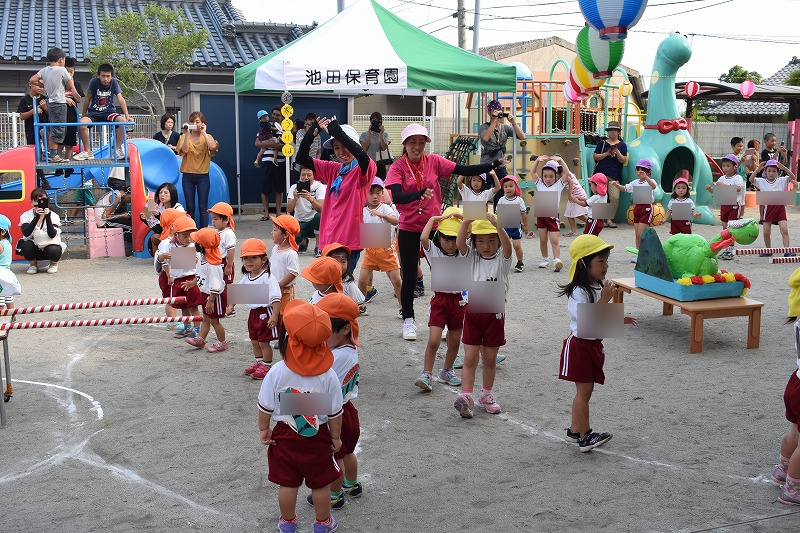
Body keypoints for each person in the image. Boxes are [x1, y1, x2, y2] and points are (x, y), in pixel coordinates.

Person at [385, 123, 506, 341]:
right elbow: (396, 196)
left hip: (435, 228)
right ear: (405, 144)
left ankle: (448, 319)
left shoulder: (433, 161)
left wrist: (494, 163)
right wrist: (418, 194)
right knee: (409, 275)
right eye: (412, 142)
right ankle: (408, 319)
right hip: (409, 228)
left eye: (421, 142)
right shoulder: (398, 167)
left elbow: (464, 170)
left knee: (447, 274)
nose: (417, 147)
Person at [257, 299, 343, 533]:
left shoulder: (277, 371)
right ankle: (323, 523)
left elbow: (265, 405)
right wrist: (336, 437)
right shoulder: (328, 375)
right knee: (320, 483)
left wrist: (264, 429)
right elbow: (335, 412)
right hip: (317, 436)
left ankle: (288, 522)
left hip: (284, 436)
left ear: (289, 338)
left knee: (288, 483)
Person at [557, 234, 637, 452]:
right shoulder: (578, 291)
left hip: (592, 345)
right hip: (579, 346)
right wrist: (605, 299)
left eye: (606, 260)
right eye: (600, 261)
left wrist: (619, 319)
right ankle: (585, 437)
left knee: (585, 392)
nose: (606, 265)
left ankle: (575, 431)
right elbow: (586, 321)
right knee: (583, 393)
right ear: (584, 264)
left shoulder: (597, 285)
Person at [295, 116, 376, 274]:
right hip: (329, 239)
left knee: (341, 284)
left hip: (348, 241)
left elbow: (363, 157)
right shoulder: (334, 169)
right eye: (336, 148)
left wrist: (337, 132)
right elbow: (301, 158)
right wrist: (311, 134)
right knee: (329, 284)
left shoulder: (362, 169)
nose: (341, 152)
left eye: (345, 146)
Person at [452, 213, 513, 417]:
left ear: (498, 241)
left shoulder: (502, 260)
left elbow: (508, 248)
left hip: (494, 313)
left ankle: (486, 395)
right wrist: (466, 222)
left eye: (491, 240)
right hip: (473, 312)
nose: (486, 245)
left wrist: (499, 226)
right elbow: (460, 243)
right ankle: (467, 396)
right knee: (470, 358)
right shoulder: (471, 258)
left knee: (489, 359)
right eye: (480, 240)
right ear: (474, 242)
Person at [306, 293, 363, 510]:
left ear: (345, 329)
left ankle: (335, 495)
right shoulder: (348, 349)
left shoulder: (336, 357)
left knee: (335, 457)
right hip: (348, 411)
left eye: (326, 329)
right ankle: (352, 484)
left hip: (335, 414)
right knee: (347, 452)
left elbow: (321, 390)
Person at [415, 207, 465, 391]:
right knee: (434, 340)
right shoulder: (435, 252)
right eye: (446, 239)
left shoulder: (465, 252)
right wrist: (434, 219)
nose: (450, 244)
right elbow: (423, 238)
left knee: (455, 341)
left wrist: (462, 218)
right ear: (439, 237)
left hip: (458, 302)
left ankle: (447, 370)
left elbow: (472, 232)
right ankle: (426, 373)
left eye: (454, 239)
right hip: (439, 301)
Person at [772, 270, 800, 506]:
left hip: (796, 381)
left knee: (795, 432)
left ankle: (783, 470)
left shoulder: (798, 320)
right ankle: (793, 488)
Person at [238, 239, 283, 381]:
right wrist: (231, 305)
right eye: (246, 258)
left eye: (254, 257)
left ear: (264, 259)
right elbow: (239, 291)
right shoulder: (247, 276)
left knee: (264, 341)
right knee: (254, 340)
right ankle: (259, 361)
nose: (249, 261)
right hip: (253, 314)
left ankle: (267, 365)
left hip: (266, 312)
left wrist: (275, 315)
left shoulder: (267, 277)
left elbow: (276, 297)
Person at [29, 47, 81, 163]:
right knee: (59, 129)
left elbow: (32, 80)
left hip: (50, 102)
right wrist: (70, 83)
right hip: (60, 103)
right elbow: (69, 85)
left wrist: (43, 84)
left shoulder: (45, 70)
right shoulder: (62, 70)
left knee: (54, 127)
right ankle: (53, 155)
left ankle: (53, 154)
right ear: (61, 60)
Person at [358, 177, 401, 312]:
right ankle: (361, 306)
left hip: (386, 250)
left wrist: (382, 216)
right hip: (370, 251)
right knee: (362, 281)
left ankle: (404, 308)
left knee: (397, 281)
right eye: (371, 193)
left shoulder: (385, 208)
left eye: (378, 193)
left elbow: (396, 221)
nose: (375, 196)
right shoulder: (363, 210)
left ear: (383, 193)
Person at [184, 228, 228, 352]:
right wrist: (194, 282)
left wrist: (211, 301)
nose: (194, 243)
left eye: (196, 242)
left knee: (214, 321)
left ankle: (222, 342)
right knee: (206, 318)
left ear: (202, 246)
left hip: (214, 296)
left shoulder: (212, 264)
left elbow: (216, 285)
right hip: (206, 294)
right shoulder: (202, 257)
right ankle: (201, 339)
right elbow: (200, 274)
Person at [75, 63, 130, 161]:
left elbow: (120, 98)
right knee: (82, 124)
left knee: (122, 122)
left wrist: (127, 115)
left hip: (109, 112)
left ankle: (116, 150)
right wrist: (83, 115)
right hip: (94, 112)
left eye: (108, 76)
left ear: (111, 76)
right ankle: (88, 152)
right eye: (103, 76)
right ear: (98, 76)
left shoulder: (114, 82)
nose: (105, 79)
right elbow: (87, 99)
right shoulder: (94, 82)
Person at [478, 100, 526, 209]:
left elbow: (522, 137)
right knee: (481, 196)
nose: (497, 113)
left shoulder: (505, 128)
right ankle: (476, 218)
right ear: (489, 112)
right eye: (494, 111)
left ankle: (502, 219)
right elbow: (485, 138)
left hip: (500, 167)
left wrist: (513, 122)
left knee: (502, 198)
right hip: (486, 166)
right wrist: (494, 121)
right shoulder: (483, 127)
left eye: (499, 110)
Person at [610, 158, 657, 263]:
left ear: (648, 172)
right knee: (637, 234)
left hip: (646, 208)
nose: (640, 171)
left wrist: (646, 177)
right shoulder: (635, 182)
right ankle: (638, 254)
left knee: (641, 234)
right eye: (638, 169)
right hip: (637, 208)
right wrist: (617, 185)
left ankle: (646, 253)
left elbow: (653, 186)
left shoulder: (650, 181)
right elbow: (625, 188)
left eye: (643, 169)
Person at [529, 156, 572, 272]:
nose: (548, 179)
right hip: (541, 216)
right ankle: (544, 258)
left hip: (552, 216)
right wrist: (537, 161)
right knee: (543, 240)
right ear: (542, 176)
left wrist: (561, 160)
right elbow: (532, 172)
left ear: (556, 176)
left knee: (554, 240)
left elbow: (566, 173)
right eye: (545, 176)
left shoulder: (558, 185)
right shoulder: (539, 184)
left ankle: (557, 260)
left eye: (551, 176)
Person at [176, 111, 219, 225]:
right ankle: (191, 230)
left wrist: (204, 132)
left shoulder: (207, 137)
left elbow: (213, 146)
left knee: (203, 207)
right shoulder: (183, 137)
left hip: (203, 175)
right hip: (188, 175)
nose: (194, 124)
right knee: (190, 207)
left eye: (197, 122)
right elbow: (184, 150)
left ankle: (203, 232)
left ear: (203, 123)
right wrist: (187, 133)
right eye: (192, 122)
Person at [749, 160, 798, 257]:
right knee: (766, 232)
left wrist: (784, 168)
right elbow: (751, 180)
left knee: (784, 229)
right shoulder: (762, 181)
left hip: (780, 208)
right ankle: (768, 250)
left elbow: (793, 177)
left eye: (774, 171)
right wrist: (757, 169)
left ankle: (787, 250)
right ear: (765, 171)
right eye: (769, 171)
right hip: (768, 209)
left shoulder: (781, 180)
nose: (771, 173)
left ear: (777, 172)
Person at [704, 154, 745, 260]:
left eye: (728, 165)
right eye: (724, 165)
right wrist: (709, 189)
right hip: (724, 204)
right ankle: (726, 249)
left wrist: (723, 185)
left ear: (735, 166)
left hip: (734, 204)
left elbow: (738, 189)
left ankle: (730, 250)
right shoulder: (721, 178)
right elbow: (716, 192)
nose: (725, 168)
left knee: (731, 228)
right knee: (724, 228)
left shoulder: (737, 177)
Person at [168, 216, 203, 339]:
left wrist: (176, 257)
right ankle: (187, 327)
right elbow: (162, 259)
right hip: (178, 280)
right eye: (185, 235)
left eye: (191, 235)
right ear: (176, 234)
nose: (188, 239)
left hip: (190, 279)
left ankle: (197, 329)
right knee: (183, 307)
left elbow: (196, 260)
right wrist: (162, 257)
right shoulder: (171, 245)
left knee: (193, 307)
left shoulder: (195, 246)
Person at [17, 188, 65, 274]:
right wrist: (37, 218)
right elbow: (26, 233)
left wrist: (47, 218)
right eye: (36, 200)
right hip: (34, 247)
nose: (39, 203)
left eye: (43, 200)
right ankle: (33, 265)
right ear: (31, 202)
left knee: (54, 249)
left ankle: (54, 264)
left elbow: (52, 235)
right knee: (26, 245)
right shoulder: (26, 215)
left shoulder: (54, 216)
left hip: (49, 245)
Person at [153, 208, 185, 330]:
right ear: (172, 226)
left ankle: (175, 319)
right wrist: (170, 276)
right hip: (168, 275)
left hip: (174, 274)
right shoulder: (166, 242)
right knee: (170, 299)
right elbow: (165, 262)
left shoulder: (175, 241)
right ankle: (171, 321)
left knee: (174, 298)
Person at [592, 121, 627, 228]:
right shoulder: (602, 143)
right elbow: (595, 157)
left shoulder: (622, 145)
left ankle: (609, 220)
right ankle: (600, 221)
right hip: (600, 174)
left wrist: (616, 151)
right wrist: (607, 153)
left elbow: (623, 160)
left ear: (618, 132)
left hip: (614, 176)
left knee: (614, 197)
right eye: (611, 130)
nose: (612, 132)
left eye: (615, 130)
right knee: (600, 196)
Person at [256, 106, 289, 218]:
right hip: (266, 161)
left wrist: (270, 145)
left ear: (282, 117)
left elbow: (286, 145)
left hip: (280, 162)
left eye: (277, 115)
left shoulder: (285, 130)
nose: (275, 116)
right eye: (273, 114)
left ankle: (278, 212)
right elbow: (257, 143)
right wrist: (274, 145)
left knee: (279, 188)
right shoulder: (265, 126)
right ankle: (266, 213)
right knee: (265, 188)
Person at [17, 80, 50, 188]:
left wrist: (45, 108)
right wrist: (33, 111)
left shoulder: (44, 99)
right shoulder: (25, 100)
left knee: (44, 132)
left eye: (42, 86)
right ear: (30, 84)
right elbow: (22, 116)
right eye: (37, 85)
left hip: (43, 126)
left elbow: (51, 114)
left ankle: (48, 151)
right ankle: (43, 179)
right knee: (36, 156)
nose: (40, 88)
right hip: (31, 130)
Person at [287, 165, 325, 255]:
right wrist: (295, 199)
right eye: (303, 175)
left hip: (314, 221)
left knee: (320, 215)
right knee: (291, 239)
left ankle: (318, 246)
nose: (306, 177)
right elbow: (289, 209)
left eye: (309, 175)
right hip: (299, 221)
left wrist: (311, 199)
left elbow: (321, 208)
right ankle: (303, 242)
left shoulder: (319, 187)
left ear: (314, 175)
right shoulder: (294, 187)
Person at [139, 183, 185, 255]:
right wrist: (145, 219)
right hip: (167, 236)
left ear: (172, 194)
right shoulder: (159, 208)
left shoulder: (178, 208)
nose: (162, 195)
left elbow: (178, 226)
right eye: (160, 193)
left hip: (179, 237)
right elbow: (159, 230)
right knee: (154, 237)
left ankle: (180, 258)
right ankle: (158, 260)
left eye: (165, 193)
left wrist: (159, 216)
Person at [497, 175, 529, 273]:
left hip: (515, 226)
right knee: (501, 246)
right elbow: (497, 214)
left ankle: (520, 262)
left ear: (516, 187)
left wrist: (526, 225)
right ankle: (502, 263)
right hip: (504, 226)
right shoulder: (501, 200)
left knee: (517, 246)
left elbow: (523, 213)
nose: (508, 188)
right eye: (505, 186)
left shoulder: (519, 200)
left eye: (511, 186)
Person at [271, 215, 301, 318]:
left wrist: (279, 285)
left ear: (285, 235)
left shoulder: (291, 253)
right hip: (274, 287)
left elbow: (293, 273)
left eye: (275, 230)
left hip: (285, 290)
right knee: (273, 312)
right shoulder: (275, 248)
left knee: (285, 314)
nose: (271, 232)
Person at [320, 243, 366, 310]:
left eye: (343, 262)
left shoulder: (348, 283)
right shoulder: (322, 281)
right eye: (335, 262)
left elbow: (360, 304)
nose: (340, 266)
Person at [62, 57, 85, 168]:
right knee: (59, 144)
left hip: (71, 117)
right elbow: (52, 97)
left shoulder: (77, 84)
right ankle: (59, 167)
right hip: (59, 117)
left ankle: (68, 166)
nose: (69, 74)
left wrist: (72, 86)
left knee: (69, 144)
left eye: (71, 72)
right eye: (67, 72)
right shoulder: (58, 84)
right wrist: (65, 99)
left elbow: (78, 99)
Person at [359, 111, 391, 180]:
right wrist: (370, 135)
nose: (376, 123)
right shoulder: (364, 135)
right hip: (368, 164)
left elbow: (384, 147)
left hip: (380, 164)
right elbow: (364, 148)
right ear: (370, 121)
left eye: (378, 121)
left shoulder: (385, 134)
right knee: (368, 183)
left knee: (380, 183)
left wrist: (381, 134)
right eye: (374, 121)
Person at [0, 215, 15, 310]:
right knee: (8, 298)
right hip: (7, 275)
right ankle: (12, 316)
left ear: (3, 232)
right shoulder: (7, 243)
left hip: (0, 277)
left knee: (0, 301)